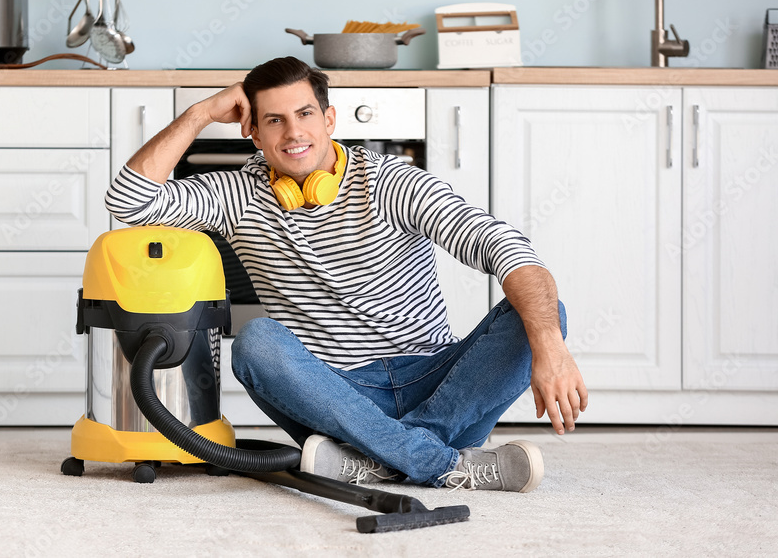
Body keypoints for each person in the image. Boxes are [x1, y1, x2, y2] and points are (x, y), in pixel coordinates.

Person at [106, 56, 588, 492]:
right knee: (256, 343)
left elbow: (503, 246)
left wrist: (549, 346)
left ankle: (378, 459)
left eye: (305, 114)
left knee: (543, 312)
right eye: (274, 120)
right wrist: (200, 114)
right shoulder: (238, 195)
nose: (293, 133)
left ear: (329, 119)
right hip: (335, 396)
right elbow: (128, 201)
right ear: (254, 132)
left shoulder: (393, 182)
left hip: (436, 383)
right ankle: (440, 463)